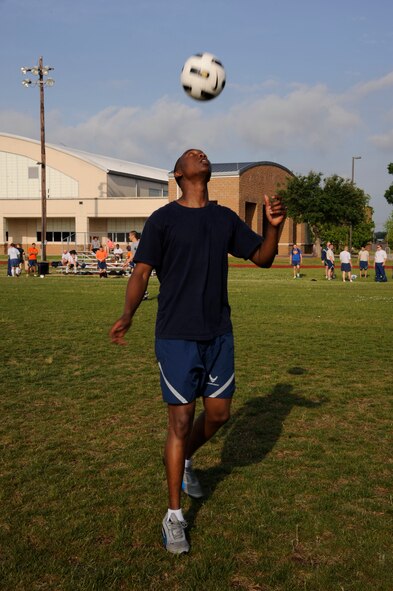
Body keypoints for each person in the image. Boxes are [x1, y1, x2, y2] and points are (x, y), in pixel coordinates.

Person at [109, 148, 286, 555]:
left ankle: (185, 459)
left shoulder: (223, 217)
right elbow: (140, 272)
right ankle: (174, 516)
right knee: (182, 419)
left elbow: (262, 258)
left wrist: (274, 228)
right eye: (191, 154)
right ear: (178, 173)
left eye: (202, 152)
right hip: (175, 335)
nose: (200, 154)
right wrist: (128, 314)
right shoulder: (163, 220)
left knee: (220, 413)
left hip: (218, 332)